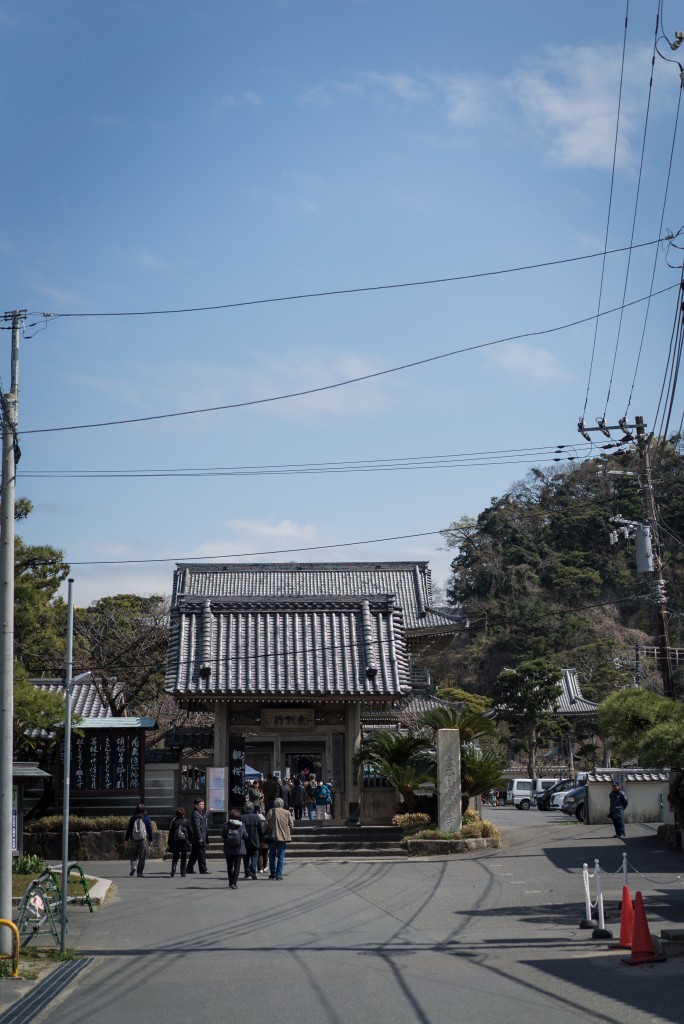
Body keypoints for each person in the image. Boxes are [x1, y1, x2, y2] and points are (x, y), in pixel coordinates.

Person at [221, 808, 250, 889]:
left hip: (228, 848)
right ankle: (234, 883)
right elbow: (246, 836)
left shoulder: (226, 825)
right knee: (237, 866)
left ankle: (230, 882)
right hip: (239, 849)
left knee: (229, 866)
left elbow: (222, 835)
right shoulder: (242, 825)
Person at [265, 797, 292, 880]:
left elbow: (266, 823)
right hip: (283, 837)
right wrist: (287, 831)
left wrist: (265, 831)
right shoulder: (287, 812)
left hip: (272, 836)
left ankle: (273, 873)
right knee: (281, 856)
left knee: (272, 855)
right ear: (282, 804)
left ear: (275, 804)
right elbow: (291, 824)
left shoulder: (271, 811)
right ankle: (279, 874)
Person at [125, 803, 153, 877]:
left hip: (133, 839)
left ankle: (133, 866)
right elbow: (150, 830)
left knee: (133, 855)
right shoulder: (146, 818)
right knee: (142, 856)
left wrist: (126, 839)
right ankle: (139, 872)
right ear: (144, 810)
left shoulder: (133, 818)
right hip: (143, 839)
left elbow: (129, 829)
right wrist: (151, 840)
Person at [187, 797, 211, 874]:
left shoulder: (198, 813)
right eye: (200, 804)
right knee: (201, 854)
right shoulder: (195, 814)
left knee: (194, 854)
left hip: (198, 837)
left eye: (203, 804)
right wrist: (200, 837)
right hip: (199, 837)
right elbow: (196, 827)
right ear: (196, 805)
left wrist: (209, 812)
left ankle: (189, 868)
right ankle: (203, 869)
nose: (202, 806)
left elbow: (203, 817)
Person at [241, 801, 263, 880]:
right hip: (255, 839)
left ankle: (247, 873)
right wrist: (261, 839)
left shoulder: (242, 817)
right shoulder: (256, 817)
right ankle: (252, 871)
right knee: (254, 856)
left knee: (245, 857)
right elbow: (260, 830)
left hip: (245, 840)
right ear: (252, 808)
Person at [168, 806, 192, 878]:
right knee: (184, 858)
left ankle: (173, 869)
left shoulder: (174, 822)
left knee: (175, 857)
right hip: (184, 841)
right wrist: (189, 840)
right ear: (183, 813)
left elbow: (171, 833)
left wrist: (169, 843)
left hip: (176, 842)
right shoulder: (186, 821)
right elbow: (190, 832)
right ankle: (183, 872)